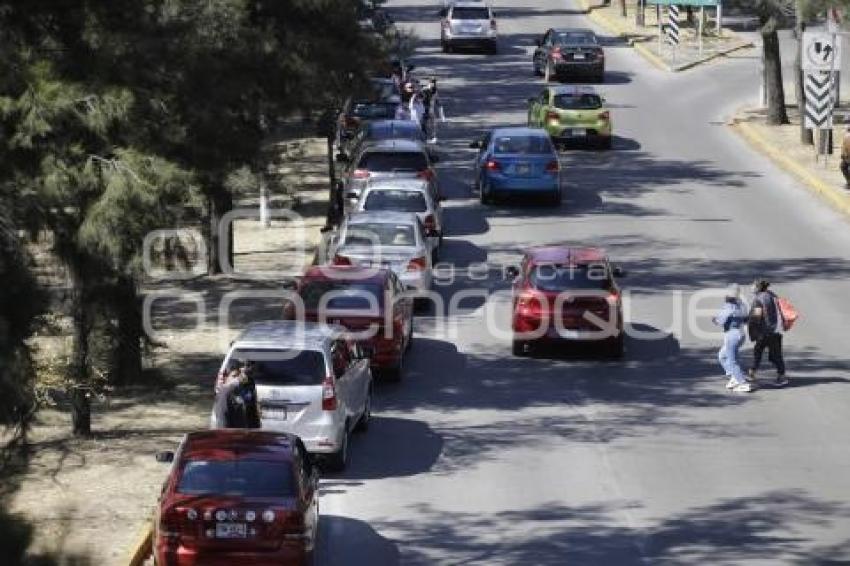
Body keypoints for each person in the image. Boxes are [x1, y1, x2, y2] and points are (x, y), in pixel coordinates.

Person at [747, 279, 789, 387]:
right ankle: (782, 375)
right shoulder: (773, 295)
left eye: (753, 286)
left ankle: (752, 372)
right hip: (776, 330)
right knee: (776, 355)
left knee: (758, 352)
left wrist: (751, 328)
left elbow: (756, 317)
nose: (752, 288)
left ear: (758, 288)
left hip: (764, 332)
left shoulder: (759, 300)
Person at [713, 284, 753, 393]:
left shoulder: (728, 306)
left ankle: (743, 383)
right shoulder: (742, 305)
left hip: (732, 336)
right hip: (741, 334)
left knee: (732, 360)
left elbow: (720, 321)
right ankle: (735, 376)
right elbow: (746, 319)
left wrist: (714, 320)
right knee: (722, 356)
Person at [211, 360, 261, 428]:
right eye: (234, 376)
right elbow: (222, 418)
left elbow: (253, 411)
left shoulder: (249, 385)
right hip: (231, 432)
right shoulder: (225, 392)